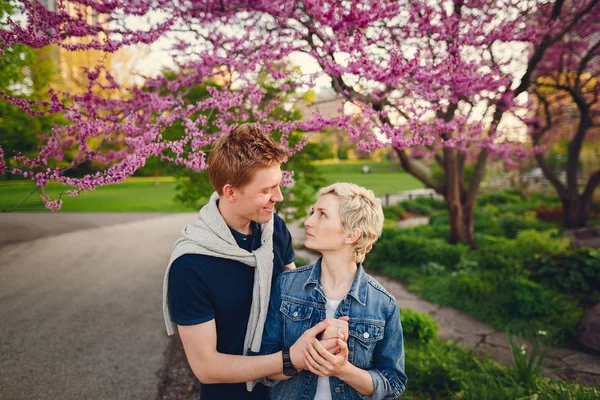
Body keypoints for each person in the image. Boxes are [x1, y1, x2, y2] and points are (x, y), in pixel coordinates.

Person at [162, 124, 348, 400]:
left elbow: (294, 300)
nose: (279, 197)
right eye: (267, 190)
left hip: (289, 391)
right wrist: (290, 360)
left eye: (279, 185)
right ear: (231, 191)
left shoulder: (275, 229)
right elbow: (206, 367)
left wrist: (330, 329)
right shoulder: (190, 265)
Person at [259, 182, 407, 399]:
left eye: (322, 215)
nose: (308, 222)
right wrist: (300, 358)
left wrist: (342, 370)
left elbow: (392, 383)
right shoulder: (286, 285)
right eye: (312, 212)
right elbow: (265, 368)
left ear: (351, 235)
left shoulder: (384, 304)